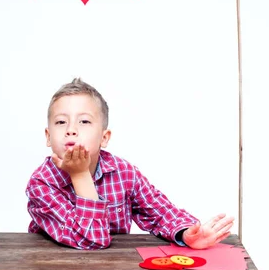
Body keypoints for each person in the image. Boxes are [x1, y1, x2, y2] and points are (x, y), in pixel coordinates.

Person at [26, 78, 234, 250]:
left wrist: (186, 233)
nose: (71, 130)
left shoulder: (123, 172)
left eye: (84, 121)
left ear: (104, 138)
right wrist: (80, 175)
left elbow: (159, 211)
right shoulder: (41, 184)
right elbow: (91, 240)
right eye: (61, 122)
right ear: (47, 136)